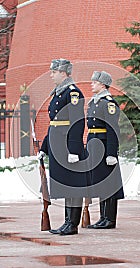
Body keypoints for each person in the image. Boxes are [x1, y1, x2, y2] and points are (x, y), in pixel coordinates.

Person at [37, 58, 87, 235]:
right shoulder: (58, 93)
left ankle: (72, 223)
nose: (51, 75)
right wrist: (45, 147)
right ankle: (67, 221)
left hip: (68, 147)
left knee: (73, 185)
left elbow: (78, 122)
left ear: (64, 73)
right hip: (58, 145)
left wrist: (74, 150)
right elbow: (54, 124)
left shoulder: (72, 93)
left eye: (54, 72)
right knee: (66, 185)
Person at [85, 71, 124, 229]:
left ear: (102, 84)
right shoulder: (94, 102)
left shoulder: (108, 103)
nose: (91, 84)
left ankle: (110, 218)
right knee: (101, 181)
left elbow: (113, 129)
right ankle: (102, 217)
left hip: (104, 145)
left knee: (109, 183)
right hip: (95, 145)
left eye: (94, 82)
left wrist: (111, 153)